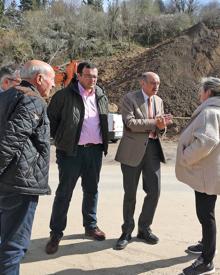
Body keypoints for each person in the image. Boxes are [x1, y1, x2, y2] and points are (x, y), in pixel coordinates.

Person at [45, 61, 109, 255]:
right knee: (64, 193)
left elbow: (104, 120)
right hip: (71, 152)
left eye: (95, 76)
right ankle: (56, 233)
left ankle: (90, 226)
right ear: (78, 76)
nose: (93, 80)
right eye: (89, 76)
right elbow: (51, 121)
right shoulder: (63, 96)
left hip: (94, 152)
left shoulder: (101, 94)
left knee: (91, 190)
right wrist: (62, 141)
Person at [0, 60, 55, 274]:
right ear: (39, 78)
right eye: (52, 79)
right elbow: (11, 140)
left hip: (8, 182)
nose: (53, 84)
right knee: (13, 248)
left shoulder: (5, 96)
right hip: (18, 185)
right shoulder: (33, 101)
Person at [115, 72, 172, 250]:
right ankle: (127, 231)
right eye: (153, 83)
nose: (156, 86)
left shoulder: (159, 101)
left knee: (154, 192)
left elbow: (159, 128)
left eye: (159, 83)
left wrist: (162, 127)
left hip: (153, 151)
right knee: (130, 194)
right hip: (132, 152)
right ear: (142, 82)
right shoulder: (129, 98)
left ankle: (144, 228)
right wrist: (155, 122)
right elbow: (130, 123)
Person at [176, 77, 220, 275]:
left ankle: (207, 260)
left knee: (205, 215)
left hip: (206, 174)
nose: (199, 95)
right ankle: (205, 245)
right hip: (210, 172)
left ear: (208, 93)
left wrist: (186, 156)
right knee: (206, 213)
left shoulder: (210, 112)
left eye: (201, 91)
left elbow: (207, 141)